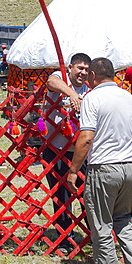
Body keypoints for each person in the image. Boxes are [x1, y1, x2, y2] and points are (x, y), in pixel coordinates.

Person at [68, 57, 132, 264]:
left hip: (104, 167)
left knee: (101, 226)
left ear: (93, 76)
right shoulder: (127, 97)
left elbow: (87, 137)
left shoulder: (93, 98)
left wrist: (73, 170)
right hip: (130, 166)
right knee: (123, 219)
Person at [42, 53, 91, 252]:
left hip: (79, 151)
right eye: (80, 68)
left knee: (86, 194)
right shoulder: (59, 77)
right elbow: (51, 81)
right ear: (70, 67)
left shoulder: (89, 90)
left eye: (87, 69)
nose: (83, 73)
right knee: (60, 195)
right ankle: (64, 240)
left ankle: (93, 235)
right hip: (56, 149)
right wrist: (71, 93)